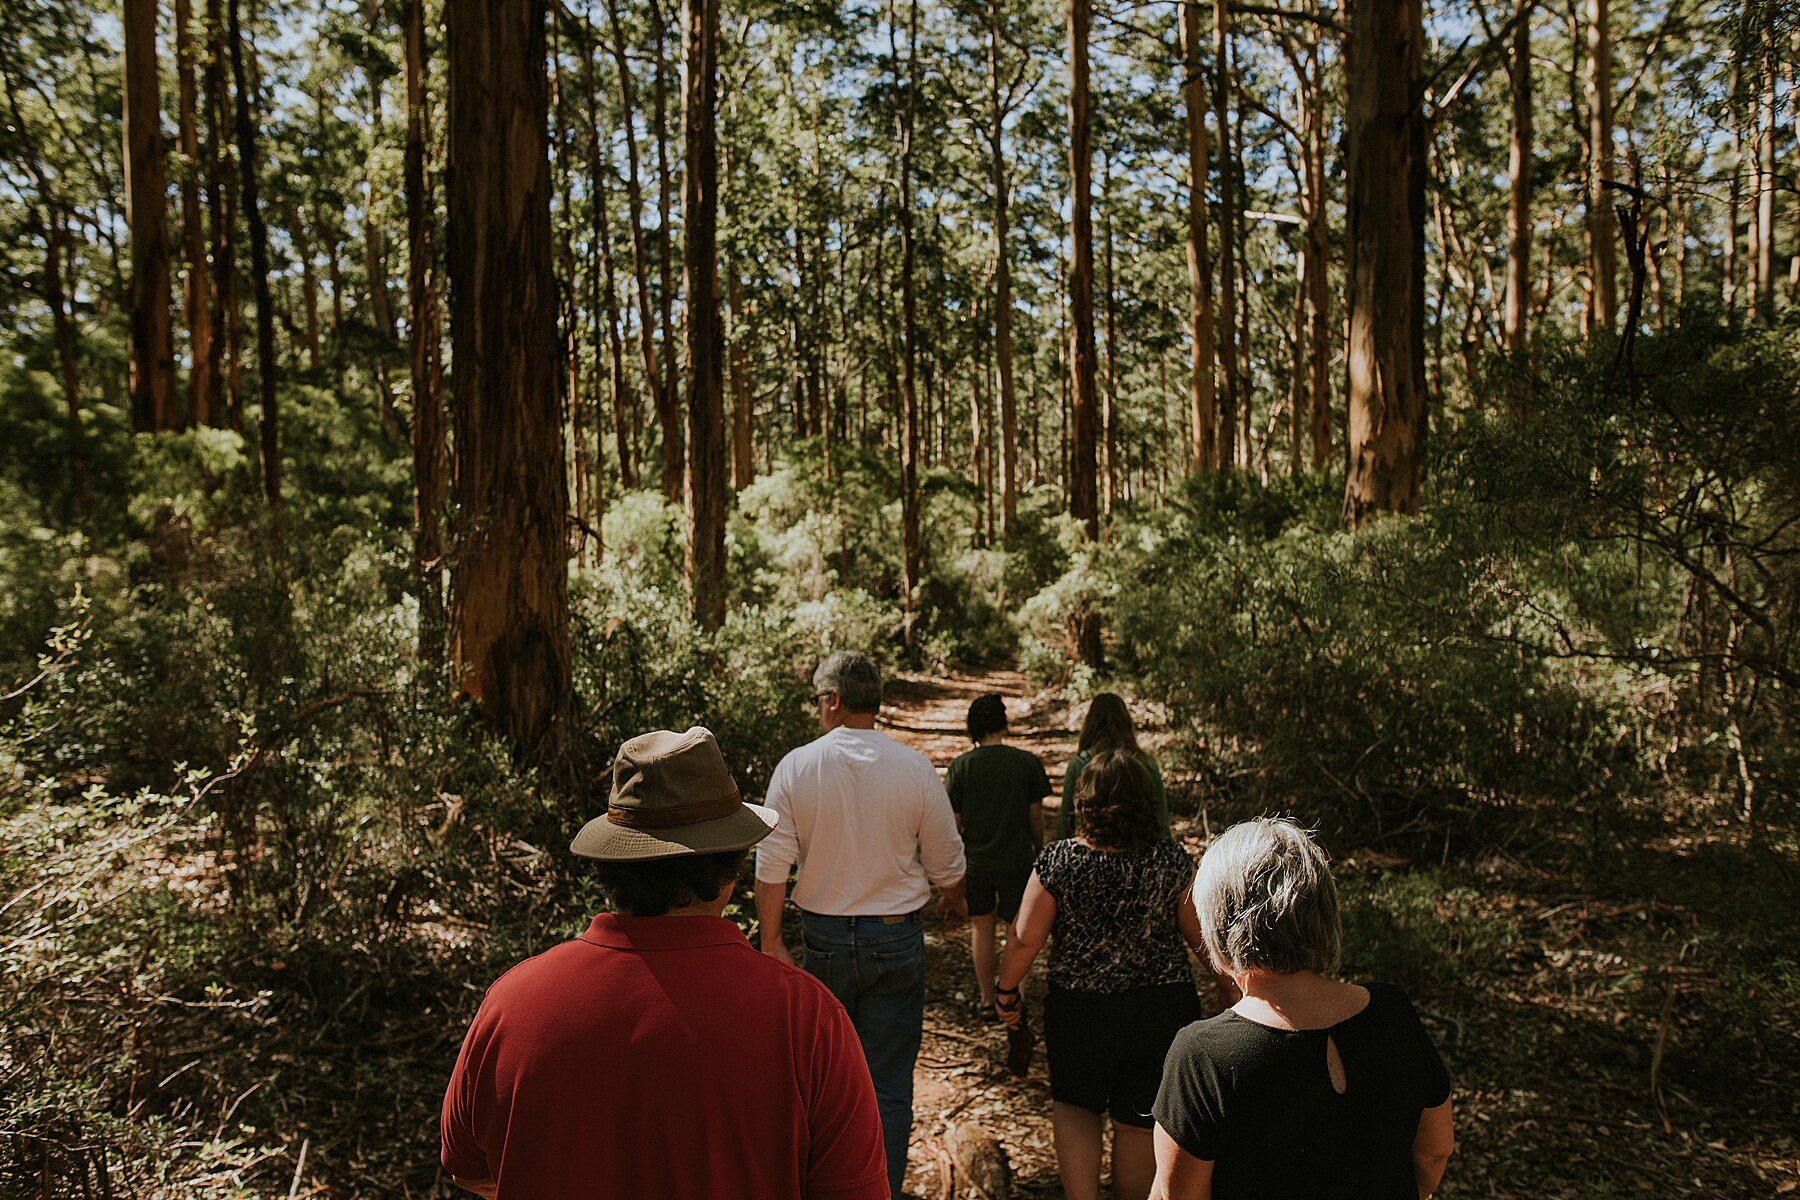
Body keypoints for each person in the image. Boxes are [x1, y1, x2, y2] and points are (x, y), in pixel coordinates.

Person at [440, 727, 888, 1200]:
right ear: (728, 873)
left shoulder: (513, 1004)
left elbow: (470, 1170)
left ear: (610, 863)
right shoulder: (805, 1018)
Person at [756, 650, 969, 1199]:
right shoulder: (915, 767)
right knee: (889, 1087)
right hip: (896, 936)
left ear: (833, 700)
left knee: (813, 1082)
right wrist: (955, 901)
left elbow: (771, 867)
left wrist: (773, 941)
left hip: (823, 940)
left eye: (817, 701)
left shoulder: (796, 767)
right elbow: (947, 860)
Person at [1150, 818, 1455, 1200]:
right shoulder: (1393, 1013)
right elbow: (1435, 1151)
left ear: (1218, 924)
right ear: (1324, 911)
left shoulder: (1202, 1055)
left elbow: (1179, 1196)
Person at [995, 749, 1206, 1200]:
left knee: (1076, 1108)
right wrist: (1237, 991)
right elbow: (1201, 939)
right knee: (1136, 1123)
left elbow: (1024, 939)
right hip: (1159, 1010)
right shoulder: (1171, 860)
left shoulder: (1059, 861)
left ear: (1084, 804)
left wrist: (1005, 990)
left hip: (1079, 1011)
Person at [945, 693, 1050, 1013]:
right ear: (1003, 724)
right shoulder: (1026, 763)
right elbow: (1035, 816)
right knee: (1016, 929)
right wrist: (1039, 851)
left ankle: (987, 999)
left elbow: (954, 824)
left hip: (976, 862)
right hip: (1016, 860)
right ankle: (1012, 994)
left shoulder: (961, 766)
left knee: (982, 928)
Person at [1056, 692, 1170, 838]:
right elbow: (1160, 815)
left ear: (1090, 724)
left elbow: (1066, 816)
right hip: (1139, 845)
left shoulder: (1079, 764)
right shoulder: (1146, 763)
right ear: (1126, 723)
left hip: (1091, 845)